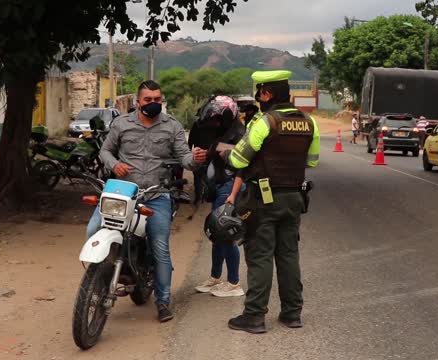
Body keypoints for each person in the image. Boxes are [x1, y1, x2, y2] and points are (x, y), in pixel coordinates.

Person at [86, 80, 207, 322]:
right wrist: (114, 164)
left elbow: (184, 158)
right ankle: (100, 277)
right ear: (138, 102)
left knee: (159, 247)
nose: (153, 103)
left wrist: (195, 160)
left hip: (156, 194)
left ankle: (163, 302)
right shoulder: (122, 123)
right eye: (148, 100)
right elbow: (105, 151)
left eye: (157, 99)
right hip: (121, 191)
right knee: (93, 228)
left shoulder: (171, 126)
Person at [222, 70, 320, 334]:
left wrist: (227, 156)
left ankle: (254, 316)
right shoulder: (309, 122)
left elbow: (238, 161)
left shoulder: (265, 122)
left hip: (263, 199)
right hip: (294, 198)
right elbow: (312, 160)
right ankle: (292, 314)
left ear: (267, 94)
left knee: (260, 255)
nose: (258, 98)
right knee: (288, 254)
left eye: (259, 93)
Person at [193, 96, 246, 298]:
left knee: (226, 234)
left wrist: (232, 195)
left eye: (216, 119)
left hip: (230, 188)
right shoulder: (225, 133)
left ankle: (234, 283)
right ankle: (215, 277)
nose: (213, 123)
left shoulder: (240, 135)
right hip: (221, 187)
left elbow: (242, 167)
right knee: (217, 234)